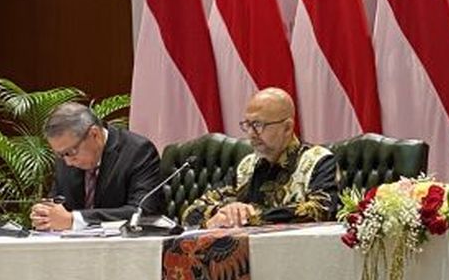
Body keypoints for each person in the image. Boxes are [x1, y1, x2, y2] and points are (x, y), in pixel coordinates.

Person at [182, 87, 338, 228]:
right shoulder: (247, 166)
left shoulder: (319, 160)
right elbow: (191, 213)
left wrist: (249, 216)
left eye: (258, 125)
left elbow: (320, 210)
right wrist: (222, 214)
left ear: (287, 127)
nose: (250, 134)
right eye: (247, 125)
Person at [30, 102, 163, 230]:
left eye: (69, 152)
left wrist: (76, 219)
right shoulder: (66, 159)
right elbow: (58, 203)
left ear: (95, 134)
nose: (67, 162)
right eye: (60, 155)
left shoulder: (138, 151)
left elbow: (143, 211)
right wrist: (44, 214)